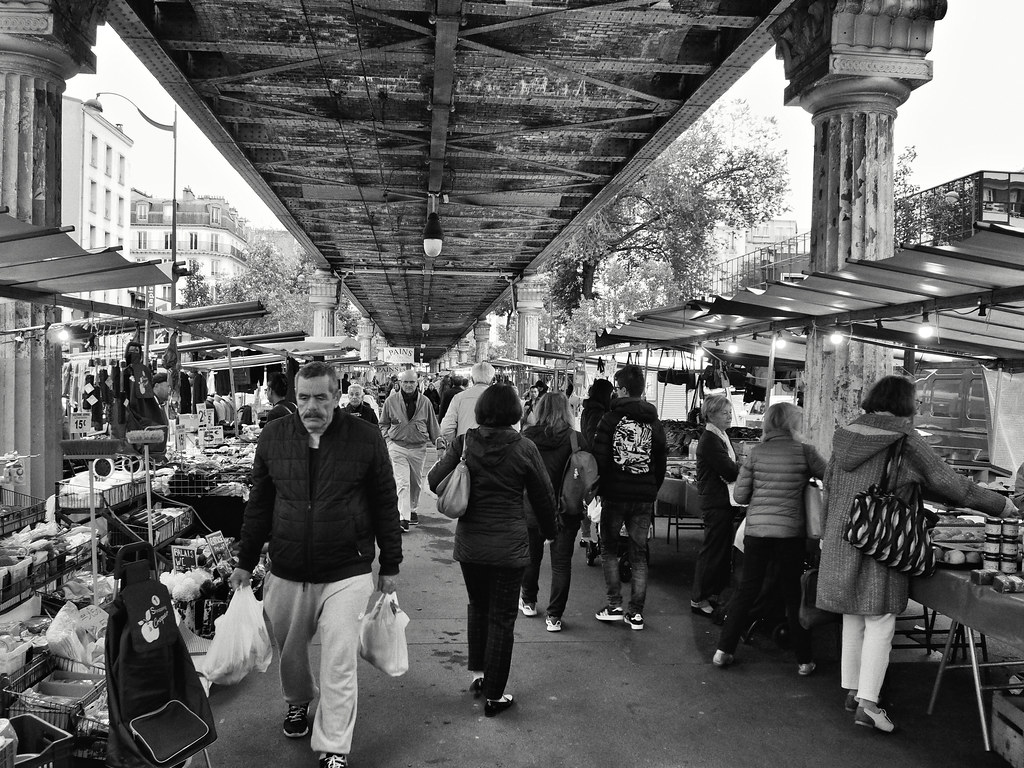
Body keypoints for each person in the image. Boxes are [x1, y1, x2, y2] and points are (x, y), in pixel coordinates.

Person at [818, 375, 1016, 733]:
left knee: (855, 615)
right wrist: (1002, 505)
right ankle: (868, 703)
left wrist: (825, 535)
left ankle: (852, 690)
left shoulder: (845, 433)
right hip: (882, 539)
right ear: (905, 404)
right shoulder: (904, 439)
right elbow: (951, 485)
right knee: (880, 620)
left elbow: (829, 486)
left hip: (843, 535)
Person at [229, 361, 402, 768]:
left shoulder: (364, 437)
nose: (311, 407)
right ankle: (297, 701)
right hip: (287, 568)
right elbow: (259, 504)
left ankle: (334, 747)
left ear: (337, 395)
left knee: (340, 661)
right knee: (290, 651)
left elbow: (385, 501)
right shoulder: (273, 437)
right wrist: (245, 560)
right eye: (303, 398)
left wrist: (390, 565)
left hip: (348, 570)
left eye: (321, 398)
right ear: (294, 396)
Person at [426, 383, 557, 717]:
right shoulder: (524, 447)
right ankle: (496, 696)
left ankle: (480, 675)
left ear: (482, 409)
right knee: (502, 618)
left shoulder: (464, 442)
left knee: (478, 607)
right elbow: (543, 496)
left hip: (471, 545)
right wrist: (551, 532)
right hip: (510, 547)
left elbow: (433, 479)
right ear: (515, 411)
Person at [712, 403, 827, 674]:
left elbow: (740, 496)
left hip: (757, 532)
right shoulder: (806, 452)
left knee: (746, 590)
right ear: (793, 424)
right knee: (792, 593)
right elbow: (831, 476)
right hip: (790, 534)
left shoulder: (757, 452)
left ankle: (723, 651)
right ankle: (804, 660)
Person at [591, 364, 667, 631]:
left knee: (609, 549)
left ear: (622, 389)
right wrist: (651, 488)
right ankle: (636, 613)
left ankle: (614, 605)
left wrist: (597, 490)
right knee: (639, 554)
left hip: (614, 493)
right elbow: (661, 460)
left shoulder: (609, 420)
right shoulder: (654, 421)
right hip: (644, 495)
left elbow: (599, 458)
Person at [521, 393, 586, 632]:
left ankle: (528, 601)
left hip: (531, 507)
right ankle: (554, 617)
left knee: (531, 557)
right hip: (566, 509)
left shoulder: (526, 437)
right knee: (561, 564)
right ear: (566, 411)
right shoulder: (575, 439)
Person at [691, 393, 740, 619]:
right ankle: (698, 597)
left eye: (730, 412)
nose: (729, 416)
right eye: (724, 413)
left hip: (722, 501)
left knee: (719, 549)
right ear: (711, 415)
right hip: (715, 501)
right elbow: (729, 470)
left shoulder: (720, 436)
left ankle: (711, 593)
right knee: (712, 549)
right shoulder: (710, 440)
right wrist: (743, 467)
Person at [380, 369, 441, 531]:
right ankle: (403, 518)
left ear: (417, 383)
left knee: (415, 482)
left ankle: (412, 509)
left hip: (418, 448)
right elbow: (383, 424)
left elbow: (433, 426)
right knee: (402, 482)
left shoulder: (425, 402)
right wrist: (387, 439)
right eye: (405, 382)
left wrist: (439, 445)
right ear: (399, 383)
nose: (408, 385)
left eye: (411, 382)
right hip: (397, 446)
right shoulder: (390, 401)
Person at [578, 379, 614, 557]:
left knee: (588, 498)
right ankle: (591, 535)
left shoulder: (589, 408)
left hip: (587, 459)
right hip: (594, 462)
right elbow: (593, 436)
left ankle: (587, 535)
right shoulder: (598, 411)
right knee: (593, 499)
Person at [439, 361, 495, 446]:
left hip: (466, 450)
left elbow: (446, 428)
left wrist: (457, 444)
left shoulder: (459, 398)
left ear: (472, 379)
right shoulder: (502, 399)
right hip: (494, 452)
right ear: (492, 380)